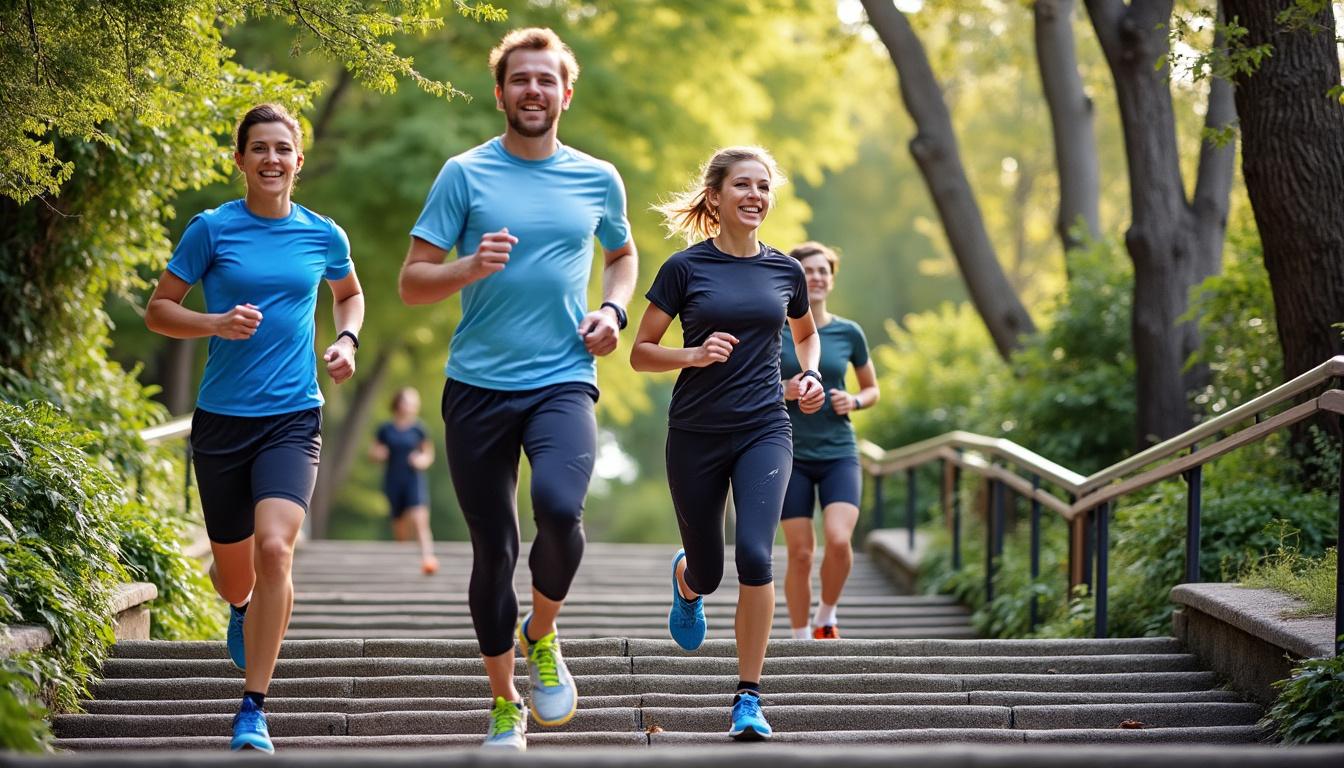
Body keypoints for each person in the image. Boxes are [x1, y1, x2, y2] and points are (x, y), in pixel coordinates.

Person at [398, 27, 636, 752]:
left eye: (546, 79)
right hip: (476, 386)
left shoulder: (598, 177)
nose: (533, 90)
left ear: (566, 92)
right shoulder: (463, 175)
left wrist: (613, 310)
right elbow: (411, 283)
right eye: (520, 80)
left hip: (564, 376)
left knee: (561, 510)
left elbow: (622, 256)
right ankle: (505, 704)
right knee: (494, 550)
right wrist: (468, 268)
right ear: (501, 92)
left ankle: (542, 631)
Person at [144, 103, 364, 754]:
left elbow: (348, 292)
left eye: (282, 148)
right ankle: (240, 608)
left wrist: (347, 339)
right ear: (239, 160)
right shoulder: (211, 231)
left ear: (299, 160)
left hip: (294, 416)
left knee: (275, 551)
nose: (271, 159)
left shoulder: (324, 234)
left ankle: (253, 706)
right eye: (258, 148)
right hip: (221, 423)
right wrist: (213, 324)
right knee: (233, 574)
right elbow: (159, 310)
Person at [631, 146, 825, 742]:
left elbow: (806, 334)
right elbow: (640, 352)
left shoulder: (785, 271)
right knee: (712, 570)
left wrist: (811, 375)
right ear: (715, 196)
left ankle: (748, 697)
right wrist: (693, 354)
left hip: (766, 427)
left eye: (763, 187)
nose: (755, 197)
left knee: (756, 556)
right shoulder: (684, 268)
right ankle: (687, 580)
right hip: (695, 432)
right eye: (743, 185)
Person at [778, 242, 879, 640]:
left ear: (832, 279)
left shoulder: (848, 332)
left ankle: (826, 617)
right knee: (800, 553)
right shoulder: (774, 330)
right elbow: (747, 383)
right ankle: (801, 638)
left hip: (838, 450)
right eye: (808, 270)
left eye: (823, 271)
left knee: (839, 541)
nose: (816, 277)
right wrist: (780, 389)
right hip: (789, 452)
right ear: (793, 279)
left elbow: (872, 389)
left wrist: (853, 400)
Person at [370, 386, 439, 575]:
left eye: (414, 402)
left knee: (419, 519)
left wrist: (421, 460)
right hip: (393, 479)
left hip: (414, 479)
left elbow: (428, 454)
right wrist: (379, 454)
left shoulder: (419, 429)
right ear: (398, 404)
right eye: (408, 401)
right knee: (399, 523)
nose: (412, 406)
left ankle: (428, 558)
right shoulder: (385, 429)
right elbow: (374, 452)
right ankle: (403, 558)